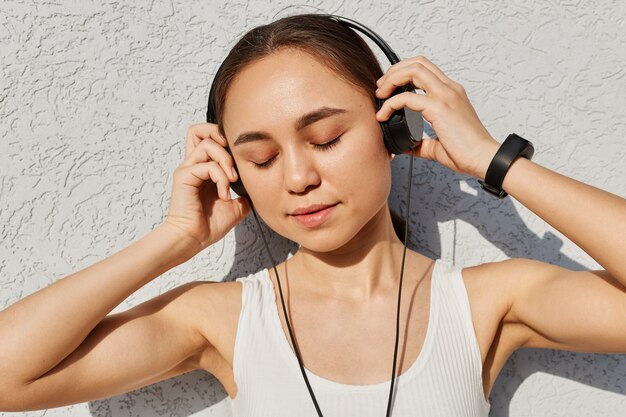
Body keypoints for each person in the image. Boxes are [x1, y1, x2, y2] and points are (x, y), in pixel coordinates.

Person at [1, 13, 625, 417]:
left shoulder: (486, 302)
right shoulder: (222, 318)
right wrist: (174, 239)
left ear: (397, 130)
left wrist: (494, 159)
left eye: (326, 138)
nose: (298, 178)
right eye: (263, 158)